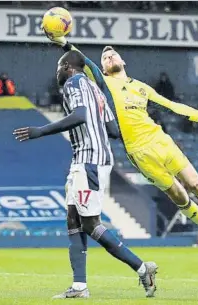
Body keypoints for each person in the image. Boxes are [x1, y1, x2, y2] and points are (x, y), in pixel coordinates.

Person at [44, 32, 198, 249]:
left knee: (196, 184)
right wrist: (65, 44)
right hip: (138, 153)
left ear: (123, 61)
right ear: (103, 68)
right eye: (105, 58)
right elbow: (84, 62)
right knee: (180, 196)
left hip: (160, 141)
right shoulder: (104, 82)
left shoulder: (142, 88)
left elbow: (172, 107)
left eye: (113, 55)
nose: (109, 58)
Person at [13, 51, 157, 299]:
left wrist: (40, 131)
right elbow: (113, 130)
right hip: (90, 158)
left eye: (59, 67)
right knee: (73, 219)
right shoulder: (96, 90)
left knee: (90, 224)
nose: (57, 72)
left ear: (68, 66)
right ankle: (79, 287)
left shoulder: (74, 82)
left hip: (89, 160)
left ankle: (143, 268)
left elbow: (80, 115)